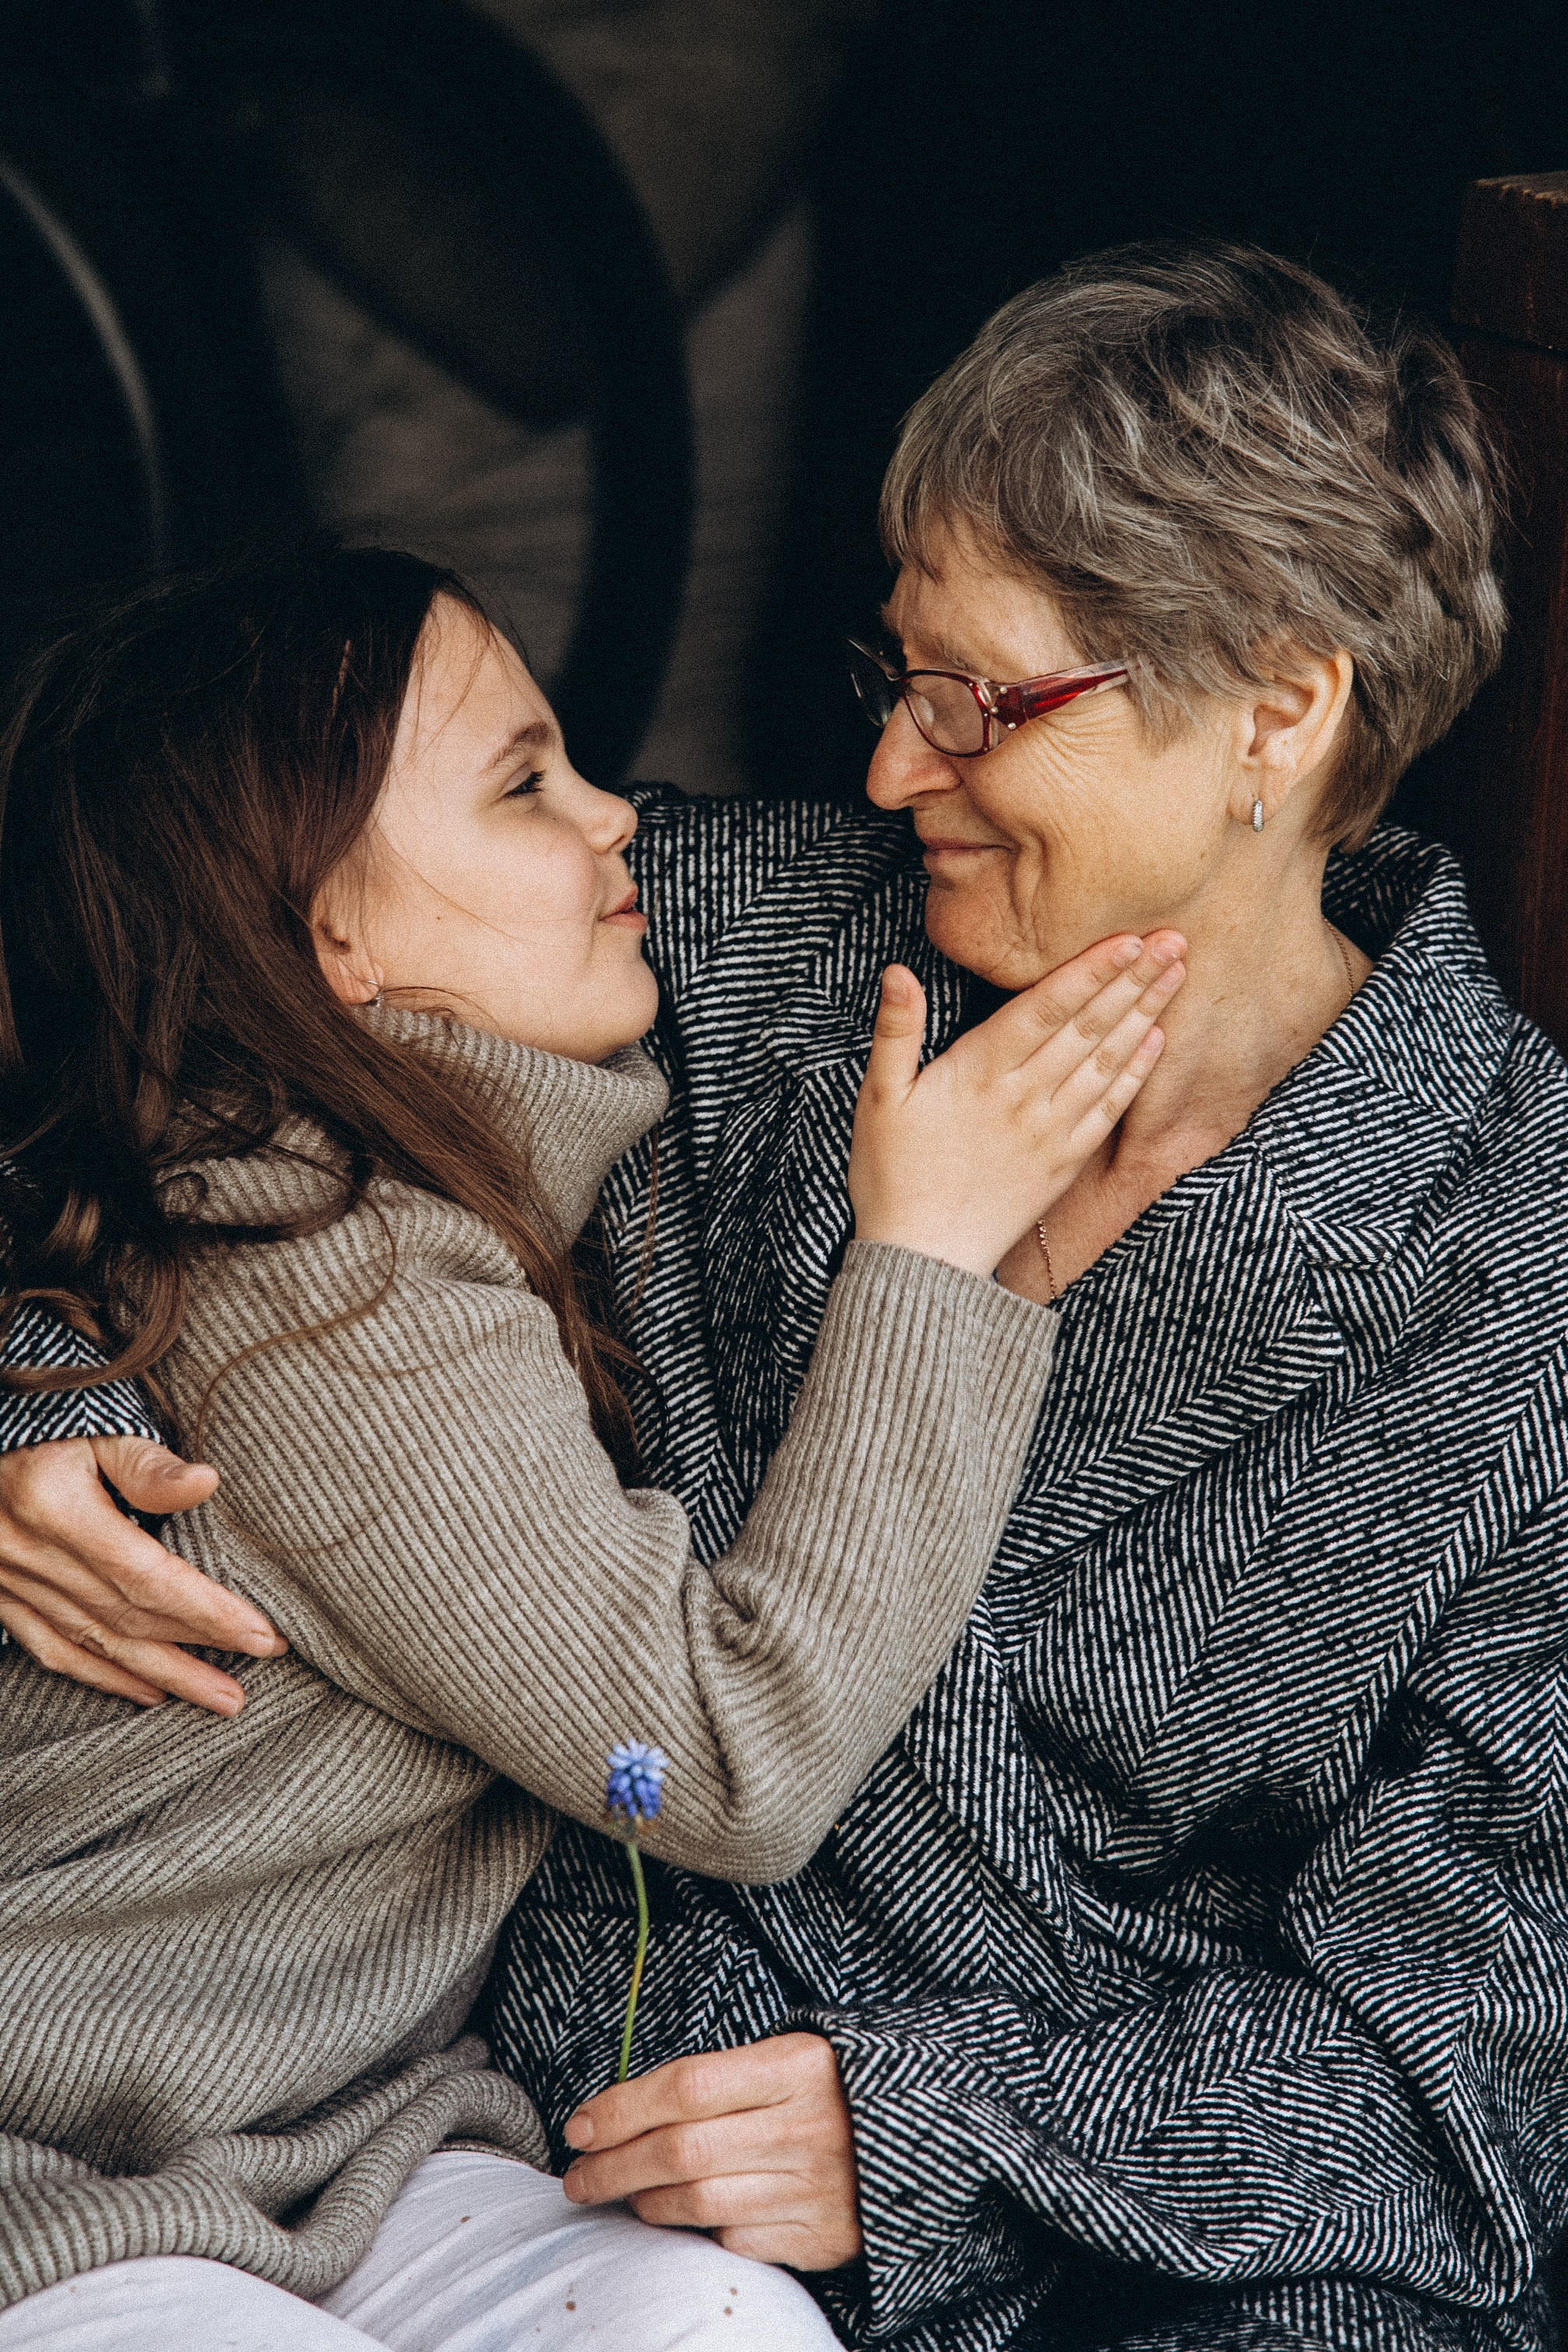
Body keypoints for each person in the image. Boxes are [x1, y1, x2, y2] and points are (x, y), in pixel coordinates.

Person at [5, 240, 1566, 2352]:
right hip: (459, 2129)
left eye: (980, 703)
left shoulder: (1515, 1273)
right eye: (892, 676)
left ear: (1277, 710)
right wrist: (51, 1403)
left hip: (1074, 2231)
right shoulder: (726, 940)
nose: (893, 775)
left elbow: (1484, 2060)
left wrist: (941, 2137)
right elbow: (183, 1039)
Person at [0, 544, 1185, 2349]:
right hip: (58, 2173)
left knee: (714, 2319)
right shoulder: (326, 1273)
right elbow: (717, 1758)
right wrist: (938, 1263)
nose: (617, 811)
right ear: (334, 938)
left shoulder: (409, 1190)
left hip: (357, 2154)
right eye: (523, 786)